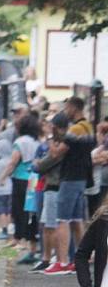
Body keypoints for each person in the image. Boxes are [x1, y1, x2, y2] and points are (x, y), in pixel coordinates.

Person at [45, 97, 96, 275]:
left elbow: (56, 154)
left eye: (67, 107)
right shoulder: (89, 128)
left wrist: (50, 137)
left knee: (62, 220)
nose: (65, 111)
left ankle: (62, 261)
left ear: (74, 108)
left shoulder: (74, 130)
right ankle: (80, 259)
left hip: (70, 178)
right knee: (76, 220)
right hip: (82, 177)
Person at [0, 114, 41, 261]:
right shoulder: (37, 141)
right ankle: (29, 241)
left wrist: (2, 177)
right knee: (30, 210)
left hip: (20, 178)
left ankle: (18, 238)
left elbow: (13, 161)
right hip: (34, 179)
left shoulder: (20, 141)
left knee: (18, 209)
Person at [30, 114, 65, 274]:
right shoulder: (56, 144)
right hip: (50, 187)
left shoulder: (60, 146)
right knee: (46, 225)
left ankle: (57, 259)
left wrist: (38, 162)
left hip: (54, 186)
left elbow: (42, 164)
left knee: (52, 225)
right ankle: (47, 258)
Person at [0, 139, 13, 241]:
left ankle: (3, 230)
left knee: (2, 211)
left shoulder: (0, 163)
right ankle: (10, 229)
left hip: (1, 190)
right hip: (11, 189)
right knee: (9, 210)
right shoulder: (12, 161)